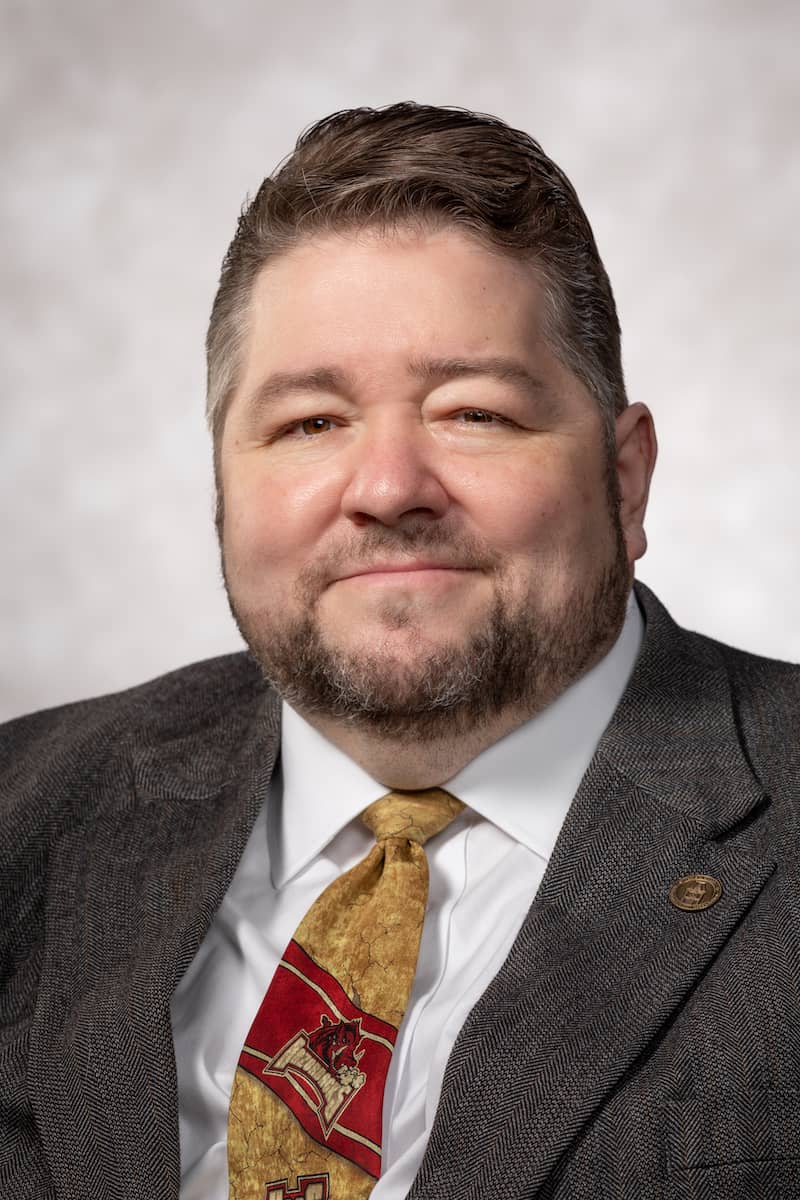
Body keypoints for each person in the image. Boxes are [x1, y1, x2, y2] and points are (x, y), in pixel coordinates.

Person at [1, 102, 798, 1200]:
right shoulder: (22, 809)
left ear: (624, 481)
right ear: (222, 487)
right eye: (310, 423)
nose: (386, 489)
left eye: (473, 413)